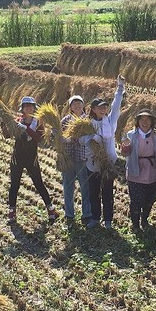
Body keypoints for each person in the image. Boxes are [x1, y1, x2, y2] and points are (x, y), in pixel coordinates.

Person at [2, 96, 56, 224]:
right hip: (17, 158)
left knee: (39, 184)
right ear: (22, 109)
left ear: (34, 108)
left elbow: (38, 138)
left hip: (31, 159)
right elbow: (7, 135)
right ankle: (11, 212)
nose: (28, 108)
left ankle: (51, 209)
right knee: (14, 185)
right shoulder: (17, 121)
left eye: (31, 106)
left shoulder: (38, 123)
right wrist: (4, 123)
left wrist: (26, 129)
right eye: (26, 106)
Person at [85, 75, 125, 229]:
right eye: (99, 107)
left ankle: (108, 220)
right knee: (94, 193)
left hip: (109, 163)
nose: (103, 109)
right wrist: (92, 138)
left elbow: (116, 105)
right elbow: (81, 140)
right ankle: (95, 218)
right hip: (93, 164)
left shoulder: (110, 121)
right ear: (93, 110)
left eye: (104, 107)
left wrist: (120, 87)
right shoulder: (87, 124)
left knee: (107, 192)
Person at [121, 109, 156, 231]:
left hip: (152, 171)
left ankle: (144, 220)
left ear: (152, 122)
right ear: (137, 121)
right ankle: (135, 224)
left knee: (150, 199)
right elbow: (124, 153)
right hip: (136, 171)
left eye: (148, 119)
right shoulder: (131, 135)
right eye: (142, 119)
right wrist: (126, 145)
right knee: (136, 200)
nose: (145, 122)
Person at [60, 95, 91, 225]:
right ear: (70, 107)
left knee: (85, 186)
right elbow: (57, 138)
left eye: (79, 103)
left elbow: (93, 137)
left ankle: (87, 214)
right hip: (68, 158)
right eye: (74, 103)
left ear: (83, 105)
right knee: (68, 186)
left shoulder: (88, 120)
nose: (77, 105)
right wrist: (66, 139)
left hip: (83, 158)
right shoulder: (66, 120)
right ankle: (69, 214)